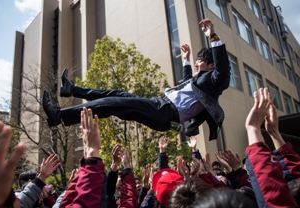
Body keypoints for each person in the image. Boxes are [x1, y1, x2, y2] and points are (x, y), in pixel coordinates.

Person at [42, 18, 230, 140]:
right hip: (159, 104)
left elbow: (222, 70)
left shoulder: (214, 82)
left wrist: (212, 36)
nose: (197, 64)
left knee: (112, 103)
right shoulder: (198, 81)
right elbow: (187, 81)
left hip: (166, 113)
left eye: (201, 62)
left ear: (212, 66)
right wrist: (188, 59)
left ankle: (59, 115)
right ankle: (72, 90)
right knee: (116, 95)